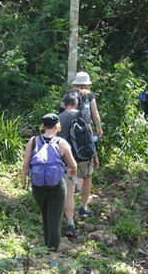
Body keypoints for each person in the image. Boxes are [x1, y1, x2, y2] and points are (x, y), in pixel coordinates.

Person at [21, 113, 77, 259]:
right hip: (56, 186)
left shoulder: (33, 141)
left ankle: (47, 249)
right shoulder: (61, 142)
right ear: (57, 126)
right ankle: (52, 254)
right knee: (55, 219)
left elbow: (26, 163)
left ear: (43, 126)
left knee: (46, 216)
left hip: (38, 186)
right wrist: (71, 173)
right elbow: (73, 164)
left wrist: (24, 179)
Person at [57, 93, 94, 238]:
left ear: (64, 104)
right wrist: (94, 155)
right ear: (77, 104)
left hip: (66, 160)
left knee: (70, 192)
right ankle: (84, 207)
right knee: (87, 178)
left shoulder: (58, 118)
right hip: (83, 156)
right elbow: (89, 135)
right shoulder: (82, 114)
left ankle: (70, 222)